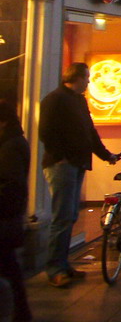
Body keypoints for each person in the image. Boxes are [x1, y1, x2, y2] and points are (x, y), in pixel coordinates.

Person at [39, 62, 120, 288]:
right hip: (63, 164)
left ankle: (62, 264)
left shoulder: (77, 100)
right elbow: (45, 131)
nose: (89, 82)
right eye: (86, 77)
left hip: (76, 163)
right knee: (63, 216)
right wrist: (60, 156)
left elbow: (89, 131)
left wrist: (105, 155)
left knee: (70, 215)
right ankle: (55, 268)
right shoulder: (55, 100)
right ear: (76, 78)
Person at [0, 100, 31, 320]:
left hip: (5, 219)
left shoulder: (10, 146)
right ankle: (21, 311)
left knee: (9, 268)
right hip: (9, 219)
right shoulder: (12, 142)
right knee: (10, 268)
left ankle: (20, 310)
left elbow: (12, 186)